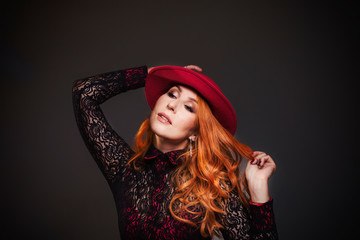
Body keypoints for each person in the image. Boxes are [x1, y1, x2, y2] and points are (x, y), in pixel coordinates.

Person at [72, 64, 278, 240]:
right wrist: (156, 73)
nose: (172, 105)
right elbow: (83, 93)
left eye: (189, 108)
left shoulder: (212, 184)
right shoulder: (124, 168)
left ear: (196, 133)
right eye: (172, 93)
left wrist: (259, 191)